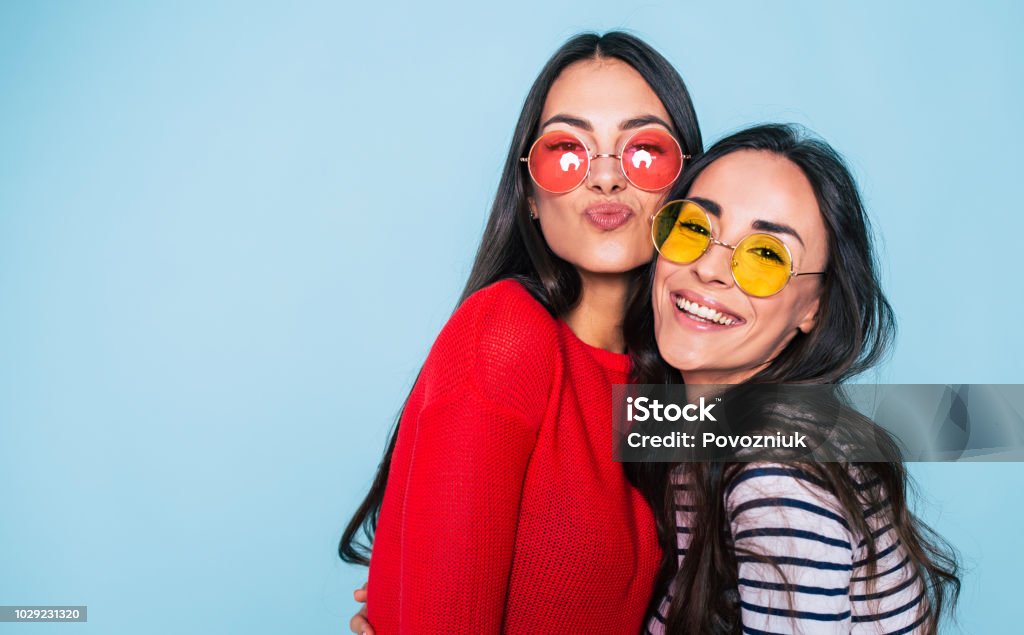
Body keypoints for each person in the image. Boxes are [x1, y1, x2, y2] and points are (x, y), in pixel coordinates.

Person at [338, 31, 702, 633]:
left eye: (642, 151)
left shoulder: (666, 384)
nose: (607, 179)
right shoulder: (506, 335)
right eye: (567, 150)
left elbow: (844, 433)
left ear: (687, 186)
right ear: (529, 195)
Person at [625, 124, 960, 634]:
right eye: (694, 228)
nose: (712, 269)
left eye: (765, 256)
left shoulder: (776, 475)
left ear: (814, 307)